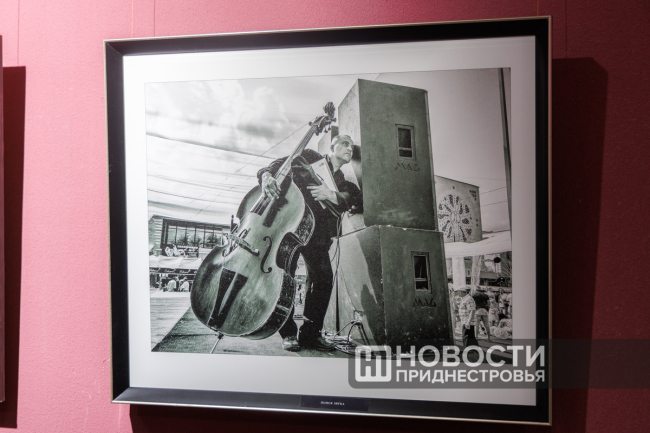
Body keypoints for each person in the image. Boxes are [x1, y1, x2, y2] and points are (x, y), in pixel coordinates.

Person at [258, 134, 361, 352]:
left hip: (318, 237)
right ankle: (288, 334)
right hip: (291, 228)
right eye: (345, 144)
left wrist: (330, 194)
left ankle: (311, 335)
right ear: (332, 147)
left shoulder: (343, 182)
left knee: (324, 281)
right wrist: (266, 176)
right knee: (285, 280)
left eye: (352, 147)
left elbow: (355, 198)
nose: (349, 148)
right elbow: (279, 164)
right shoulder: (310, 157)